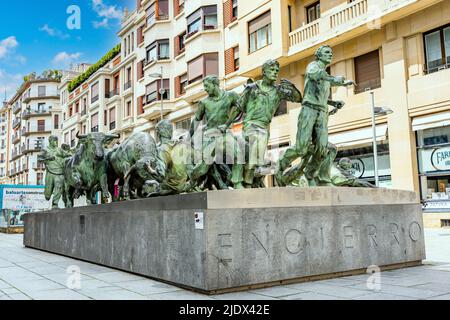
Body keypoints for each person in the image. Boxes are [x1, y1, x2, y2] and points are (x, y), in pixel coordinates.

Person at [276, 45, 355, 186]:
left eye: (331, 53)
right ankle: (281, 165)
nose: (330, 55)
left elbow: (319, 95)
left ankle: (317, 177)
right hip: (309, 110)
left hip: (322, 112)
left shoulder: (325, 74)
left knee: (324, 149)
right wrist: (339, 81)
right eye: (326, 53)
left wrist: (332, 102)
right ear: (318, 55)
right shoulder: (313, 67)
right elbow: (316, 75)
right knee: (302, 147)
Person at [230, 59, 302, 189]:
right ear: (264, 72)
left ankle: (247, 181)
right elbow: (239, 107)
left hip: (264, 127)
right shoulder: (252, 88)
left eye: (276, 71)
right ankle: (245, 182)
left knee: (254, 159)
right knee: (255, 152)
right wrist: (227, 124)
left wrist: (293, 88)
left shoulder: (278, 90)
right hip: (251, 125)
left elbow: (298, 99)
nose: (275, 73)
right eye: (271, 70)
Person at [189, 75, 240, 190]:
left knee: (238, 155)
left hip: (225, 134)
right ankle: (191, 180)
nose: (205, 89)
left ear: (215, 84)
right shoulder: (204, 102)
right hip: (210, 136)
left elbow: (240, 107)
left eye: (207, 86)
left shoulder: (230, 96)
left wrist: (228, 123)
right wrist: (188, 138)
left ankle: (237, 182)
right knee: (203, 166)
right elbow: (196, 121)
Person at [38, 136, 71, 209]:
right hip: (50, 172)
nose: (56, 142)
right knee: (47, 194)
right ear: (50, 141)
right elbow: (39, 159)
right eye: (54, 141)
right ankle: (48, 195)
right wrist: (48, 158)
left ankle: (55, 204)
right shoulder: (45, 150)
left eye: (57, 141)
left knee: (59, 187)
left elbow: (69, 155)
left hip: (60, 172)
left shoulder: (59, 150)